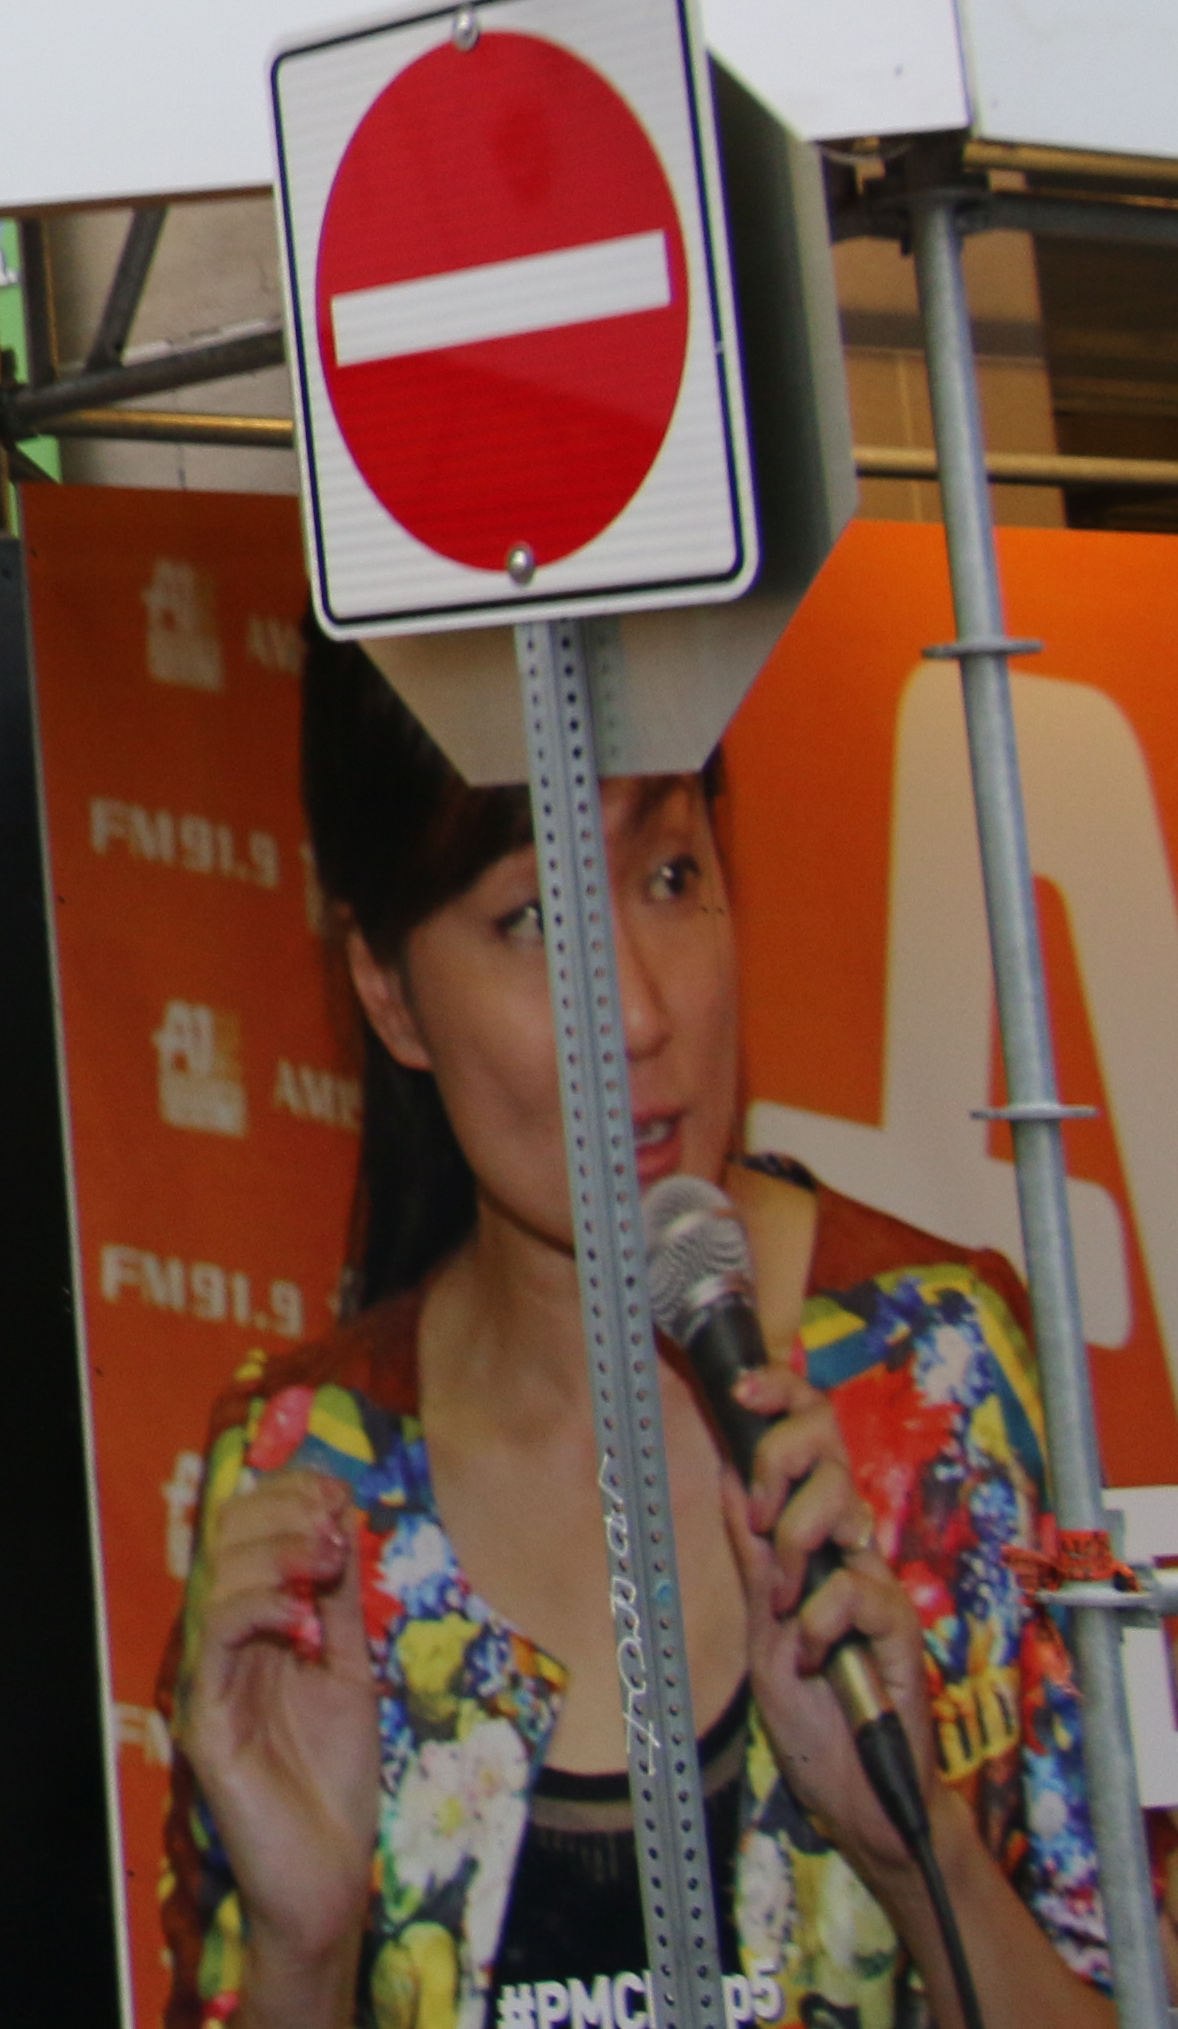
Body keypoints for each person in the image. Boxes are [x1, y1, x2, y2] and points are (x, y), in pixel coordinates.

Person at [165, 639, 1128, 2029]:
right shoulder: (305, 1474)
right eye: (531, 917)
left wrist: (923, 1858)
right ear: (386, 989)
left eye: (670, 878)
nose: (635, 1008)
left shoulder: (942, 1373)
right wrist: (304, 1957)